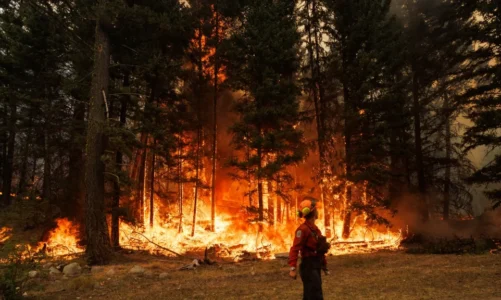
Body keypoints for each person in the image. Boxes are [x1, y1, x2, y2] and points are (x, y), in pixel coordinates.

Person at [288, 198, 330, 300]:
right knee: (315, 295)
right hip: (308, 266)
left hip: (315, 265)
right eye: (316, 209)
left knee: (311, 294)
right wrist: (293, 268)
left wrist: (324, 266)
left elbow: (320, 250)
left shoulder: (315, 230)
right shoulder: (303, 230)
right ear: (313, 212)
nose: (318, 211)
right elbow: (294, 249)